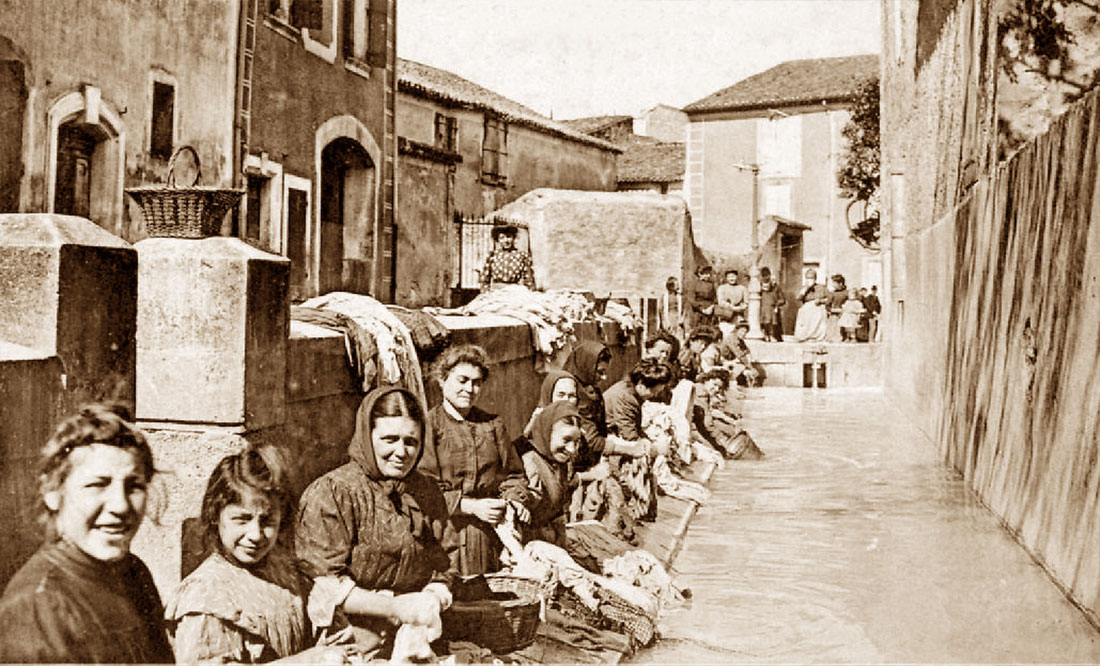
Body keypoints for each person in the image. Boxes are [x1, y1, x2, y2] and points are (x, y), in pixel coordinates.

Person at [0, 403, 174, 663]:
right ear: (53, 492)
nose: (121, 505)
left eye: (134, 485)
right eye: (98, 485)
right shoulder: (38, 605)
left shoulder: (134, 573)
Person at [296, 387, 458, 657]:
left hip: (418, 636)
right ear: (367, 437)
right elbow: (323, 581)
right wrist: (395, 608)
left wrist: (433, 596)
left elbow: (445, 560)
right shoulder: (334, 492)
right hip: (351, 640)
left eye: (411, 441)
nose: (401, 451)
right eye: (389, 439)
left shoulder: (425, 490)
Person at [166, 449, 310, 663]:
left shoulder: (283, 571)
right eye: (241, 519)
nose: (255, 535)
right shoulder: (206, 595)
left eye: (267, 521)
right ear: (215, 515)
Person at [420, 344, 529, 576]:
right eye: (462, 380)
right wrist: (469, 506)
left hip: (490, 534)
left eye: (477, 382)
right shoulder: (428, 426)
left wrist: (513, 500)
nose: (469, 388)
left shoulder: (492, 425)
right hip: (446, 533)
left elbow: (514, 474)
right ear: (442, 379)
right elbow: (422, 488)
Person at [603, 359, 672, 521]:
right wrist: (651, 447)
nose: (654, 396)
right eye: (653, 391)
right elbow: (629, 434)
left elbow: (633, 428)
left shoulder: (629, 390)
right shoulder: (626, 397)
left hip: (616, 434)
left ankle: (643, 508)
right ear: (641, 384)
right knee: (642, 458)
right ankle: (639, 509)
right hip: (608, 437)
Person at [518, 401, 583, 547]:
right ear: (546, 433)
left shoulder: (561, 462)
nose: (572, 449)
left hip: (552, 540)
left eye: (576, 442)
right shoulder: (530, 463)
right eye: (566, 440)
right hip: (530, 543)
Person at [478, 224, 535, 290]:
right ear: (498, 240)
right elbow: (485, 279)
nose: (506, 241)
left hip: (514, 292)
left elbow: (529, 279)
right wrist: (486, 293)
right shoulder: (493, 255)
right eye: (502, 238)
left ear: (513, 238)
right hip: (496, 293)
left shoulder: (522, 256)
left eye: (508, 237)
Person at [793, 268, 829, 342]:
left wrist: (821, 300)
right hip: (807, 308)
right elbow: (798, 298)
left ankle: (816, 336)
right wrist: (806, 289)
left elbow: (829, 298)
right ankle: (805, 336)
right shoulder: (804, 288)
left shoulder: (821, 287)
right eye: (808, 278)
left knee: (820, 313)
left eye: (811, 278)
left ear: (815, 278)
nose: (809, 280)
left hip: (818, 307)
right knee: (803, 312)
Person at [759, 266, 786, 342]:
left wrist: (776, 305)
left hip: (773, 310)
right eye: (763, 276)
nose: (766, 278)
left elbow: (782, 299)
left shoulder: (775, 287)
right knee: (764, 321)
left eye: (767, 275)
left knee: (773, 321)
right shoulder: (759, 287)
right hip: (762, 311)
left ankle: (773, 335)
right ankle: (766, 335)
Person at [687, 265, 717, 333]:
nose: (708, 275)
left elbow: (715, 299)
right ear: (700, 274)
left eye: (709, 273)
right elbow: (691, 299)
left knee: (710, 331)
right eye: (706, 274)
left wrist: (711, 307)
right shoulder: (694, 284)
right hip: (698, 312)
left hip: (710, 312)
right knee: (698, 331)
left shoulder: (711, 284)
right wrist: (702, 310)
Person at [826, 274, 848, 342]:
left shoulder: (847, 293)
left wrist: (844, 310)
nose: (832, 284)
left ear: (840, 283)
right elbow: (827, 306)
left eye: (834, 283)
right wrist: (833, 310)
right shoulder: (832, 294)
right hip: (834, 315)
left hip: (845, 315)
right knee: (833, 330)